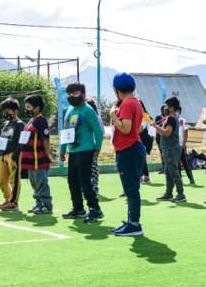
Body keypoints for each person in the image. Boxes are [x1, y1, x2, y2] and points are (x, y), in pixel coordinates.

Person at [60, 82, 105, 223]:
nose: (72, 96)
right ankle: (78, 208)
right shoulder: (68, 111)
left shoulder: (88, 110)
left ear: (83, 95)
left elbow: (98, 131)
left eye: (75, 93)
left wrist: (97, 148)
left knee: (85, 181)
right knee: (72, 181)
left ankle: (95, 209)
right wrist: (62, 150)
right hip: (73, 151)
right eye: (69, 94)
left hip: (86, 151)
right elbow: (65, 132)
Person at [108, 73, 146, 236]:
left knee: (131, 189)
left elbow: (126, 128)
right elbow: (136, 129)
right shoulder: (135, 102)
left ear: (116, 89)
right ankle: (132, 221)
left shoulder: (127, 104)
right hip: (133, 147)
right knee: (131, 188)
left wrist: (112, 116)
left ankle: (134, 224)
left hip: (128, 149)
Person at [21, 95, 53, 215]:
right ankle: (38, 203)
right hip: (29, 159)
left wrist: (47, 154)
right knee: (34, 182)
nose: (27, 109)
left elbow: (45, 138)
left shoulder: (41, 120)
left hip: (38, 158)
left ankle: (46, 204)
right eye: (26, 107)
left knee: (41, 181)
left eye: (29, 107)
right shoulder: (31, 121)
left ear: (37, 108)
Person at [154, 97, 186, 203]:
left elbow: (167, 133)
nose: (165, 108)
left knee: (174, 172)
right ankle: (168, 193)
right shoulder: (171, 117)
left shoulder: (171, 118)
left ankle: (181, 194)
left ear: (172, 107)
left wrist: (155, 126)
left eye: (167, 106)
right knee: (168, 172)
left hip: (171, 149)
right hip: (169, 148)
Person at [0, 97, 25, 211]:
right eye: (3, 111)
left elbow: (22, 141)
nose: (5, 113)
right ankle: (7, 200)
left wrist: (16, 154)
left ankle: (14, 202)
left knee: (14, 179)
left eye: (7, 111)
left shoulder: (20, 124)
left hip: (14, 155)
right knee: (1, 180)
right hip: (1, 155)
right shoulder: (4, 124)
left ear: (16, 111)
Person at [85, 98, 104, 196]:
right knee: (89, 168)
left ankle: (94, 188)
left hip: (92, 146)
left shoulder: (96, 117)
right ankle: (89, 188)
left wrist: (97, 146)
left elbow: (100, 132)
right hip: (86, 146)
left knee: (92, 168)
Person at [139, 100, 154, 184]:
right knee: (142, 158)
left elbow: (140, 129)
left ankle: (141, 176)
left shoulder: (145, 116)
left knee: (141, 158)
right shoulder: (139, 116)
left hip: (145, 140)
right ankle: (146, 176)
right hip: (141, 139)